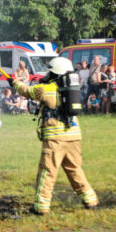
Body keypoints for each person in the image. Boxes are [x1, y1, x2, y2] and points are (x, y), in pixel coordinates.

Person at [8, 57, 99, 215]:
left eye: (50, 71)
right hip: (74, 136)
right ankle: (91, 200)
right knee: (74, 169)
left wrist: (14, 82)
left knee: (47, 172)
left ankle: (41, 207)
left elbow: (27, 91)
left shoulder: (46, 89)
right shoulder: (72, 90)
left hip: (55, 140)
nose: (47, 73)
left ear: (56, 73)